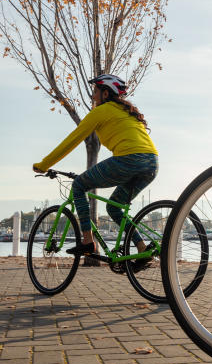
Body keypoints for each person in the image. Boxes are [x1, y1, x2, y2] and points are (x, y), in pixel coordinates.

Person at [32, 74, 158, 266]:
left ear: (105, 93)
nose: (93, 96)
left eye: (95, 92)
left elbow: (72, 140)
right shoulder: (126, 111)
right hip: (152, 163)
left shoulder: (102, 111)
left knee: (80, 184)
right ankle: (142, 249)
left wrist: (44, 164)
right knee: (114, 208)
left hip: (129, 159)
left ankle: (88, 241)